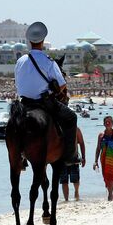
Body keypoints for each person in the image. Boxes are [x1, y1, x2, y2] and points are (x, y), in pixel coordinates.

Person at [14, 22, 79, 166]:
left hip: (24, 103)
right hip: (44, 102)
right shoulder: (48, 61)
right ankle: (70, 156)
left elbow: (17, 85)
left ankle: (20, 157)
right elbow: (62, 85)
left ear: (30, 41)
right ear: (42, 41)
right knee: (72, 118)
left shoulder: (20, 61)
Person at [94, 116, 113, 201]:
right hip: (103, 159)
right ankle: (111, 194)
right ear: (104, 123)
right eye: (106, 122)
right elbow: (98, 148)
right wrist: (95, 161)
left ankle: (110, 195)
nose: (107, 123)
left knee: (112, 176)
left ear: (112, 123)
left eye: (109, 122)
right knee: (106, 177)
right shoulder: (101, 135)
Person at [61, 128, 86, 201]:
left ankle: (76, 192)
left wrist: (83, 157)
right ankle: (66, 200)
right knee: (64, 181)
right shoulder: (59, 128)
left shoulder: (76, 129)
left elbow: (81, 142)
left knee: (75, 180)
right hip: (62, 159)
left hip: (74, 157)